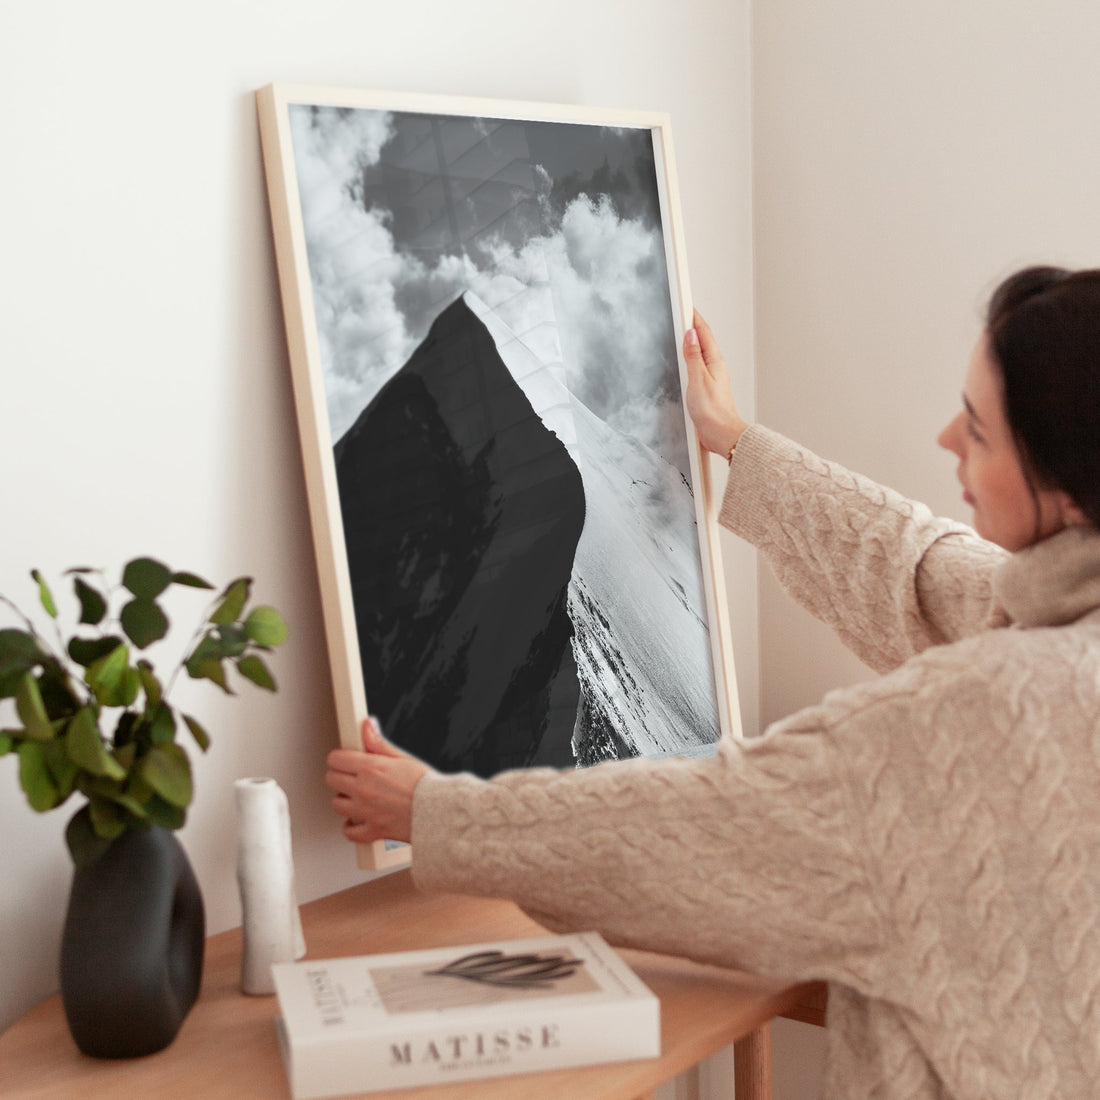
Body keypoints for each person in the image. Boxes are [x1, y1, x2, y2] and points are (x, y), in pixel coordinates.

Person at [325, 265, 1100, 1099]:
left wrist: (435, 813)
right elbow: (919, 569)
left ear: (1064, 489)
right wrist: (735, 440)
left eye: (980, 432)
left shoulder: (978, 718)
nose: (948, 438)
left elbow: (710, 825)